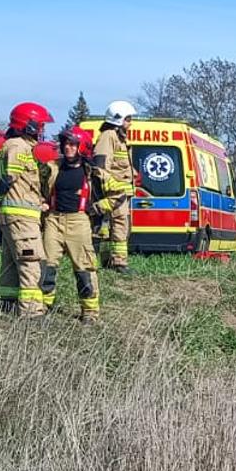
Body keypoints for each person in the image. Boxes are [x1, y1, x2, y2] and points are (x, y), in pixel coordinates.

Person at [0, 102, 55, 318]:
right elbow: (9, 179)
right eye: (41, 126)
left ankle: (8, 303)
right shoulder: (18, 147)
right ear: (29, 125)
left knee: (11, 260)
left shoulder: (17, 145)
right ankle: (32, 311)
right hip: (21, 217)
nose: (43, 130)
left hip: (17, 215)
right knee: (31, 261)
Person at [39, 128, 101, 320]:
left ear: (82, 147)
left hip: (79, 221)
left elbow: (119, 191)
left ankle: (90, 311)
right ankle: (43, 306)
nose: (68, 147)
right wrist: (42, 201)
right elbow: (37, 185)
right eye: (66, 143)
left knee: (84, 268)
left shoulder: (91, 171)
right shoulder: (52, 167)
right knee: (46, 265)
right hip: (53, 220)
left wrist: (98, 207)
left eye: (73, 144)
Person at [90, 100, 136, 274]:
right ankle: (118, 264)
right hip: (112, 193)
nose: (130, 123)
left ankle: (115, 261)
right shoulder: (108, 136)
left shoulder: (120, 138)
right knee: (114, 226)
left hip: (120, 193)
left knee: (120, 226)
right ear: (119, 119)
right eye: (128, 119)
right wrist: (112, 189)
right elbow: (101, 166)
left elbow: (120, 165)